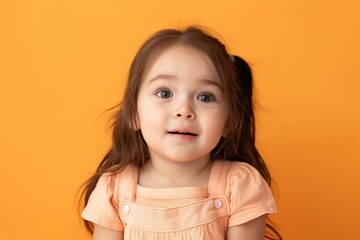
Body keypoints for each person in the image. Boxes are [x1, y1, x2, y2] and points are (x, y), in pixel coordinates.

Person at [80, 26, 282, 240]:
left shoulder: (240, 186)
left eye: (205, 97)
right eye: (164, 93)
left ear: (229, 121)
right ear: (133, 114)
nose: (184, 110)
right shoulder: (114, 189)